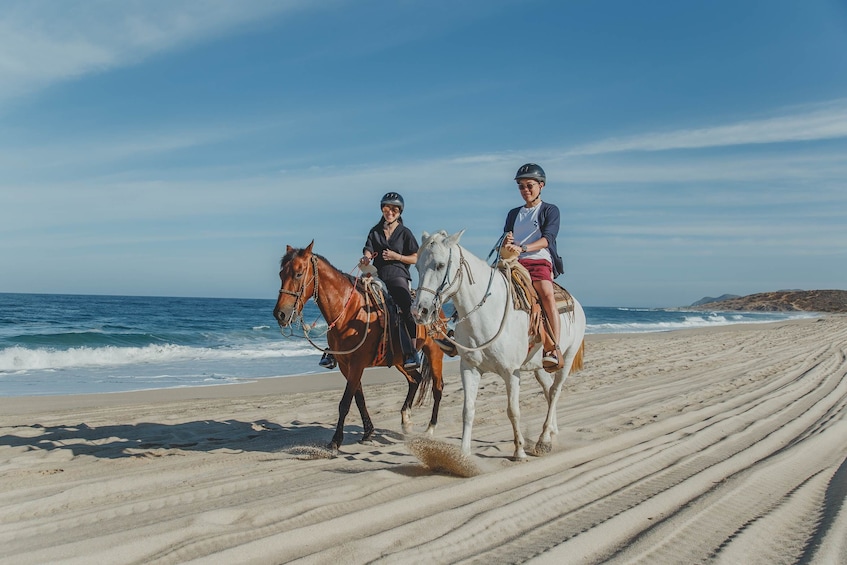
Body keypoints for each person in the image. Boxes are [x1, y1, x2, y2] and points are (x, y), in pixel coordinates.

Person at [319, 192, 421, 370]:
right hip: (376, 275)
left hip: (398, 275)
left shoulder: (405, 233)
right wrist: (365, 259)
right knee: (349, 302)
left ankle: (411, 351)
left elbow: (415, 258)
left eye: (394, 209)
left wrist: (396, 256)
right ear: (382, 209)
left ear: (400, 212)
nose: (390, 212)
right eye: (387, 208)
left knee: (405, 307)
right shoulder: (375, 231)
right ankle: (333, 350)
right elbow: (368, 248)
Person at [502, 163, 565, 369]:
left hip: (539, 259)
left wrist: (524, 247)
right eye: (521, 186)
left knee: (546, 294)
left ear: (541, 185)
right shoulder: (513, 213)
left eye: (529, 185)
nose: (525, 190)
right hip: (514, 261)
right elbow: (506, 238)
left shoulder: (549, 210)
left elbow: (548, 239)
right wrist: (508, 242)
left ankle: (553, 348)